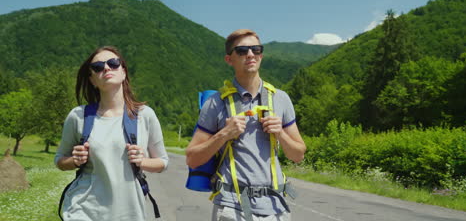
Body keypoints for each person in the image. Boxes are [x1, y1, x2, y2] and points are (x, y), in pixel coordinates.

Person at [186, 29, 306, 221]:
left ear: (261, 55)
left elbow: (298, 155)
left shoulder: (281, 99)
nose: (250, 54)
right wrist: (223, 134)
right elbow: (192, 159)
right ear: (229, 59)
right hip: (231, 207)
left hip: (275, 208)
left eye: (256, 49)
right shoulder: (215, 103)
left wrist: (281, 134)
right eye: (242, 51)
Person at [55, 46, 169, 220]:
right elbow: (60, 160)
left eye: (113, 63)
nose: (106, 68)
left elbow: (163, 162)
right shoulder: (78, 116)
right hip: (84, 211)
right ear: (92, 80)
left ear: (123, 72)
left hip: (129, 212)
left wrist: (142, 161)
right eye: (98, 67)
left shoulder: (145, 115)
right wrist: (74, 161)